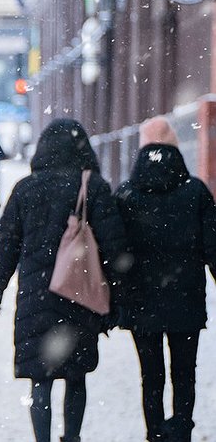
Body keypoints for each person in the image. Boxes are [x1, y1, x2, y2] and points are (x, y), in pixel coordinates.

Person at [0, 118, 128, 442]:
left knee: (41, 378)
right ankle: (72, 437)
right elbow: (114, 246)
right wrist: (118, 298)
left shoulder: (25, 188)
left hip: (37, 296)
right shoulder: (92, 186)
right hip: (80, 293)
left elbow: (8, 242)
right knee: (76, 376)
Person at [114, 116, 216, 442]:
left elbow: (115, 250)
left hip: (141, 300)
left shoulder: (127, 194)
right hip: (185, 299)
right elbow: (212, 246)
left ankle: (155, 433)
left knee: (151, 374)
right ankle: (182, 429)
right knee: (185, 373)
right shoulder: (196, 191)